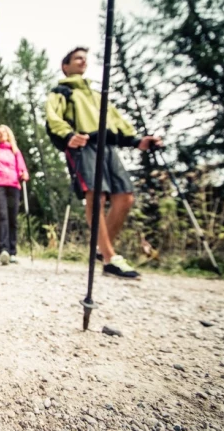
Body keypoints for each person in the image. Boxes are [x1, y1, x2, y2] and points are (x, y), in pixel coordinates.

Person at [46, 47, 162, 280]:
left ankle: (100, 249)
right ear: (65, 66)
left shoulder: (99, 95)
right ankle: (110, 258)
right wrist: (68, 135)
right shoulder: (62, 91)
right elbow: (53, 118)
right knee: (96, 195)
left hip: (108, 146)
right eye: (77, 58)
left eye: (85, 59)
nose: (83, 62)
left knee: (125, 196)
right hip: (83, 145)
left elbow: (117, 121)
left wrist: (137, 140)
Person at [0, 125, 29, 265]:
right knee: (2, 216)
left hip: (14, 185)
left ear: (8, 134)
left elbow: (22, 168)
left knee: (13, 218)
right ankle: (4, 250)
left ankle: (13, 252)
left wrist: (24, 174)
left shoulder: (15, 152)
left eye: (4, 132)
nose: (1, 135)